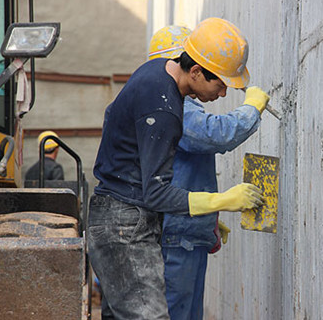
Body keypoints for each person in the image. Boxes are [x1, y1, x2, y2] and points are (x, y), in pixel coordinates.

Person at [88, 17, 269, 320]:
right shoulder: (165, 109)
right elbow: (157, 194)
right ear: (196, 71)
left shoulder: (154, 75)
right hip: (124, 225)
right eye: (220, 83)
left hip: (119, 218)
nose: (222, 94)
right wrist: (221, 201)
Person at [148, 26, 270, 320]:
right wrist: (251, 109)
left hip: (186, 230)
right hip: (177, 234)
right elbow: (211, 134)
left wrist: (208, 219)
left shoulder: (174, 100)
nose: (223, 90)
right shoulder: (176, 104)